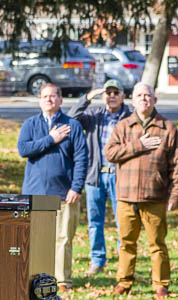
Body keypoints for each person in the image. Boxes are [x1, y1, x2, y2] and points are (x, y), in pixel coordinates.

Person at [105, 82, 178, 300]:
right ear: (132, 100)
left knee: (157, 244)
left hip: (155, 196)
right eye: (139, 95)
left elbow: (176, 165)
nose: (144, 99)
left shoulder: (167, 127)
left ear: (155, 100)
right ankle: (124, 281)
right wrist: (138, 145)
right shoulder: (123, 126)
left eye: (148, 95)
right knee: (126, 243)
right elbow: (110, 153)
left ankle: (160, 284)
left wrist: (175, 194)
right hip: (126, 196)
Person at [17, 83, 88, 291]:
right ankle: (33, 278)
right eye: (45, 96)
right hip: (35, 192)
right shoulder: (30, 124)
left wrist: (76, 187)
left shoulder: (72, 126)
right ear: (40, 100)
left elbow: (82, 159)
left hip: (64, 192)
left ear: (60, 100)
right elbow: (23, 149)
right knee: (34, 237)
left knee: (63, 238)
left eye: (53, 96)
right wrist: (51, 139)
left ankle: (62, 280)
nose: (49, 99)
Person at [68, 79, 133, 277]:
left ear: (123, 95)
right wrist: (87, 97)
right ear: (103, 96)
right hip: (95, 176)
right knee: (95, 222)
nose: (112, 96)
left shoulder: (129, 117)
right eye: (108, 92)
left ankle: (125, 262)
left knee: (123, 222)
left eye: (116, 92)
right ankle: (97, 260)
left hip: (120, 176)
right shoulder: (94, 116)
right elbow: (72, 118)